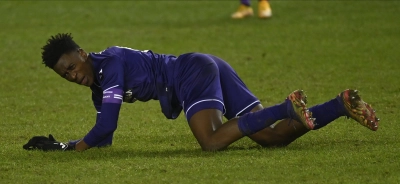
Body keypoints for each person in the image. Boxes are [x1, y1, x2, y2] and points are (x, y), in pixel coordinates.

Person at [23, 33, 379, 152]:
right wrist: (70, 145)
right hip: (205, 65)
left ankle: (286, 107)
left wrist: (69, 148)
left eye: (72, 67)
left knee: (210, 141)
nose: (71, 76)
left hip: (191, 73)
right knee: (272, 139)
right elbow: (106, 136)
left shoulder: (111, 63)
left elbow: (105, 126)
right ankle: (340, 105)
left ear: (82, 54)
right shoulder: (99, 88)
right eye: (63, 75)